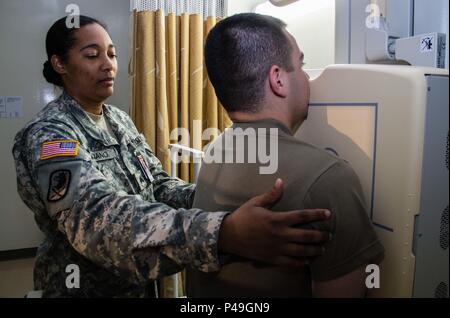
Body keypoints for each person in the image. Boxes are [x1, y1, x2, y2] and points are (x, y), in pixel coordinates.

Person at [11, 15, 332, 297]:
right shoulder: (49, 135)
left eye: (112, 54)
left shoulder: (118, 121)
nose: (108, 64)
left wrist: (217, 198)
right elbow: (95, 221)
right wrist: (222, 232)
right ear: (60, 64)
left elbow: (159, 187)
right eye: (92, 55)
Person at [186, 13, 385, 298]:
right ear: (278, 79)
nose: (307, 77)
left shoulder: (214, 151)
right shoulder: (329, 178)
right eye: (301, 65)